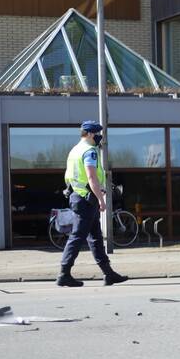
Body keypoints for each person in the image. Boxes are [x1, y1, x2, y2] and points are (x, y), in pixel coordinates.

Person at [56, 121, 128, 287]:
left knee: (95, 237)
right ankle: (63, 274)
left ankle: (108, 273)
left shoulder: (74, 150)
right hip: (86, 199)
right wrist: (101, 200)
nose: (99, 137)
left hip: (79, 197)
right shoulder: (89, 151)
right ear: (89, 134)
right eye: (97, 133)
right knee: (77, 236)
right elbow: (91, 177)